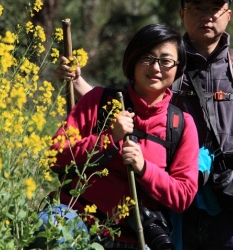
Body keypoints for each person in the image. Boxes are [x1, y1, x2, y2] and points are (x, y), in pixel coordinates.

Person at [57, 0, 233, 249]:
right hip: (174, 206)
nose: (206, 16)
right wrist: (77, 82)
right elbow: (127, 107)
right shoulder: (167, 65)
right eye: (197, 7)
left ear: (228, 15)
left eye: (214, 8)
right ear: (182, 14)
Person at [49, 23, 199, 249]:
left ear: (178, 68)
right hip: (77, 221)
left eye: (166, 61)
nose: (156, 67)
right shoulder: (99, 101)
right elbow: (56, 155)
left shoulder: (182, 125)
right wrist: (108, 138)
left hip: (135, 238)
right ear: (133, 60)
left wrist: (144, 169)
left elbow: (183, 195)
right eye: (147, 57)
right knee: (49, 231)